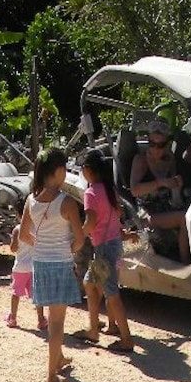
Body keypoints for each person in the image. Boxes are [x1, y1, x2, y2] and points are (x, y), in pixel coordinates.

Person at [18, 148, 85, 382]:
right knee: (57, 323)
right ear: (57, 171)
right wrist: (69, 247)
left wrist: (42, 244)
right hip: (60, 265)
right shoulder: (66, 203)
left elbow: (24, 233)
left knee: (51, 320)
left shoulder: (31, 201)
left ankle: (58, 359)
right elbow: (79, 239)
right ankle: (50, 374)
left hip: (41, 264)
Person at [73, 149, 135, 352]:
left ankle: (126, 339)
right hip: (114, 245)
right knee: (90, 284)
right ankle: (93, 329)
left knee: (111, 293)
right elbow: (116, 218)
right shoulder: (109, 190)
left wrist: (78, 237)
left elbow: (90, 222)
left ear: (88, 170)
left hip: (104, 249)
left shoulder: (91, 193)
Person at [130, 119, 190, 264]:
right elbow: (134, 190)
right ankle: (186, 264)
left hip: (167, 206)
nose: (156, 149)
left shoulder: (169, 159)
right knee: (184, 218)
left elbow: (174, 189)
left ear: (167, 144)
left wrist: (176, 185)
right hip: (148, 213)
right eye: (152, 144)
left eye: (160, 145)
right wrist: (160, 183)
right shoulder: (141, 161)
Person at [6, 225, 48, 330]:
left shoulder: (17, 229)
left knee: (16, 293)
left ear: (17, 214)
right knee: (36, 294)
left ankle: (13, 318)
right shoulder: (37, 229)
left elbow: (13, 248)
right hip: (34, 267)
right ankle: (41, 320)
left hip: (20, 267)